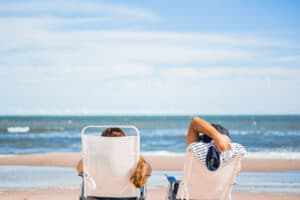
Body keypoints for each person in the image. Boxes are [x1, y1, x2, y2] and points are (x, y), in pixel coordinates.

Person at [76, 127, 152, 188]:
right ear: (124, 142)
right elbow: (149, 170)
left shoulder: (93, 158)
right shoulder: (133, 158)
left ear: (102, 142)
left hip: (97, 196)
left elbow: (79, 169)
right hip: (128, 197)